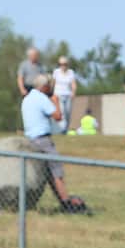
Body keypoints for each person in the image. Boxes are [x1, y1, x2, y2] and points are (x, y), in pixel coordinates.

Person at [21, 73, 78, 209]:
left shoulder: (27, 98)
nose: (52, 88)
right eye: (50, 86)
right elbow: (58, 116)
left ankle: (63, 200)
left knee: (49, 172)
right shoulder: (41, 98)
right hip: (43, 140)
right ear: (44, 87)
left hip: (30, 139)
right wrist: (56, 101)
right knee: (56, 170)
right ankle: (66, 202)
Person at [52, 56, 77, 132]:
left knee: (68, 113)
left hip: (68, 95)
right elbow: (53, 83)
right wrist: (51, 93)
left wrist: (73, 92)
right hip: (58, 95)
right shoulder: (56, 72)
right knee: (62, 112)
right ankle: (62, 130)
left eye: (64, 64)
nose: (63, 66)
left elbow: (73, 84)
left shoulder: (71, 72)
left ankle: (65, 129)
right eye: (61, 64)